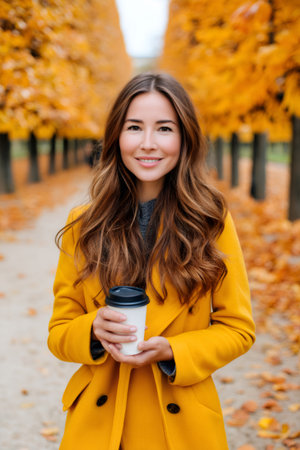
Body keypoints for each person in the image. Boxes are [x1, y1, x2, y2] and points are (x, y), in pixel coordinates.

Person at [48, 72, 255, 450]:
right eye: (134, 127)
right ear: (116, 136)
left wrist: (175, 351)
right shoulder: (83, 225)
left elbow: (238, 329)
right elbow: (59, 331)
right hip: (100, 424)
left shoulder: (211, 222)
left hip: (180, 424)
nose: (147, 144)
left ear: (184, 138)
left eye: (164, 128)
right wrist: (92, 330)